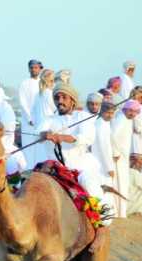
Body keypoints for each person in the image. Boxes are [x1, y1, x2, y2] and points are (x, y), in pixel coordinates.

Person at [38, 82, 113, 242]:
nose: (60, 100)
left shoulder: (83, 117)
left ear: (72, 100)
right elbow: (39, 132)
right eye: (57, 97)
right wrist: (45, 134)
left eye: (64, 97)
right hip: (55, 169)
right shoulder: (49, 119)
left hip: (79, 165)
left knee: (89, 183)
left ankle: (102, 228)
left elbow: (85, 138)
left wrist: (61, 137)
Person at [18, 59, 43, 164]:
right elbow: (22, 102)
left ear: (40, 69)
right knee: (28, 147)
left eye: (36, 68)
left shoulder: (43, 83)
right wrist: (29, 118)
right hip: (28, 122)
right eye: (32, 68)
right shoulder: (24, 83)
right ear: (29, 69)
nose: (34, 70)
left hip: (41, 121)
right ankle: (28, 171)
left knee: (40, 147)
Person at [92, 102, 116, 183]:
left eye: (112, 113)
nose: (110, 115)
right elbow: (103, 148)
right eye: (108, 113)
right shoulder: (100, 125)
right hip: (101, 164)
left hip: (103, 163)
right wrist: (109, 168)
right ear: (102, 112)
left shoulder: (105, 123)